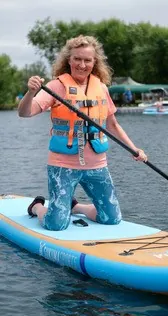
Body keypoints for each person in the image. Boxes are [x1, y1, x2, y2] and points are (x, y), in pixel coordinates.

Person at [18, 35, 148, 231]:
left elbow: (112, 125)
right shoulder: (56, 86)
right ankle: (37, 207)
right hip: (62, 166)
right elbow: (24, 112)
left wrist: (133, 149)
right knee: (55, 225)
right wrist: (30, 92)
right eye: (77, 59)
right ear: (68, 60)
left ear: (94, 62)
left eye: (87, 60)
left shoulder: (101, 88)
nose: (82, 64)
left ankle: (76, 207)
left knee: (111, 219)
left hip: (97, 166)